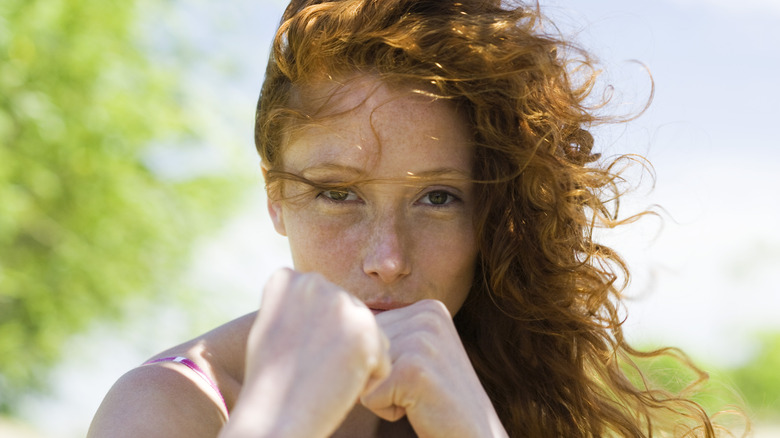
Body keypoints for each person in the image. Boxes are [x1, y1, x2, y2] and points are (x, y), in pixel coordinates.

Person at [88, 0, 729, 436]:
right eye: (337, 194)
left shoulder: (508, 383)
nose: (387, 258)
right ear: (275, 196)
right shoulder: (173, 405)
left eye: (438, 199)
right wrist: (283, 418)